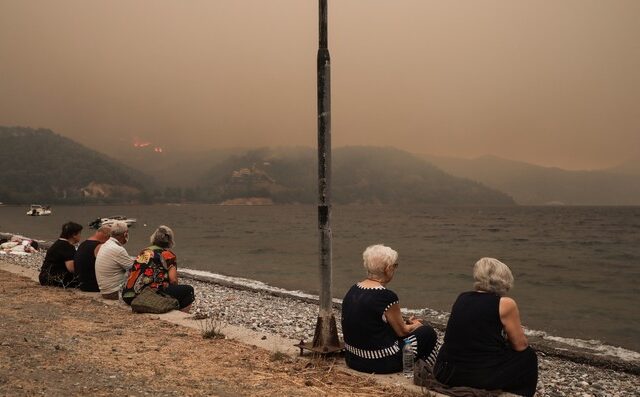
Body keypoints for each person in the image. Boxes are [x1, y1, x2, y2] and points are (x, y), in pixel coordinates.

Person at [433, 258, 538, 397]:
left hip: (446, 372)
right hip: (479, 377)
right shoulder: (506, 303)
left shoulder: (462, 297)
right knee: (529, 357)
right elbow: (520, 345)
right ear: (504, 280)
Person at [341, 244, 439, 374]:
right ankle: (429, 371)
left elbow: (372, 323)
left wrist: (403, 323)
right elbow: (402, 332)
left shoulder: (353, 289)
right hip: (379, 362)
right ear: (388, 269)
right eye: (395, 266)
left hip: (353, 358)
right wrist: (416, 325)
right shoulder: (387, 296)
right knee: (428, 333)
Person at [122, 226, 195, 312]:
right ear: (170, 241)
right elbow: (173, 280)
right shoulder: (168, 255)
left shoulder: (144, 251)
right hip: (145, 296)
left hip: (128, 295)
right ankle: (181, 314)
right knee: (188, 290)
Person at [95, 221, 133, 300]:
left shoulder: (105, 245)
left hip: (105, 290)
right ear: (125, 234)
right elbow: (134, 267)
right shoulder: (118, 249)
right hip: (114, 292)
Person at [38, 222, 83, 288]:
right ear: (74, 235)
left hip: (44, 277)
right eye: (80, 233)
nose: (80, 236)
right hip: (55, 279)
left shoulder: (58, 243)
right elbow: (71, 268)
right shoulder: (67, 246)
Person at [74, 225, 111, 292]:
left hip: (81, 283)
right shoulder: (99, 246)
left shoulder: (83, 244)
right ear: (107, 237)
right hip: (93, 285)